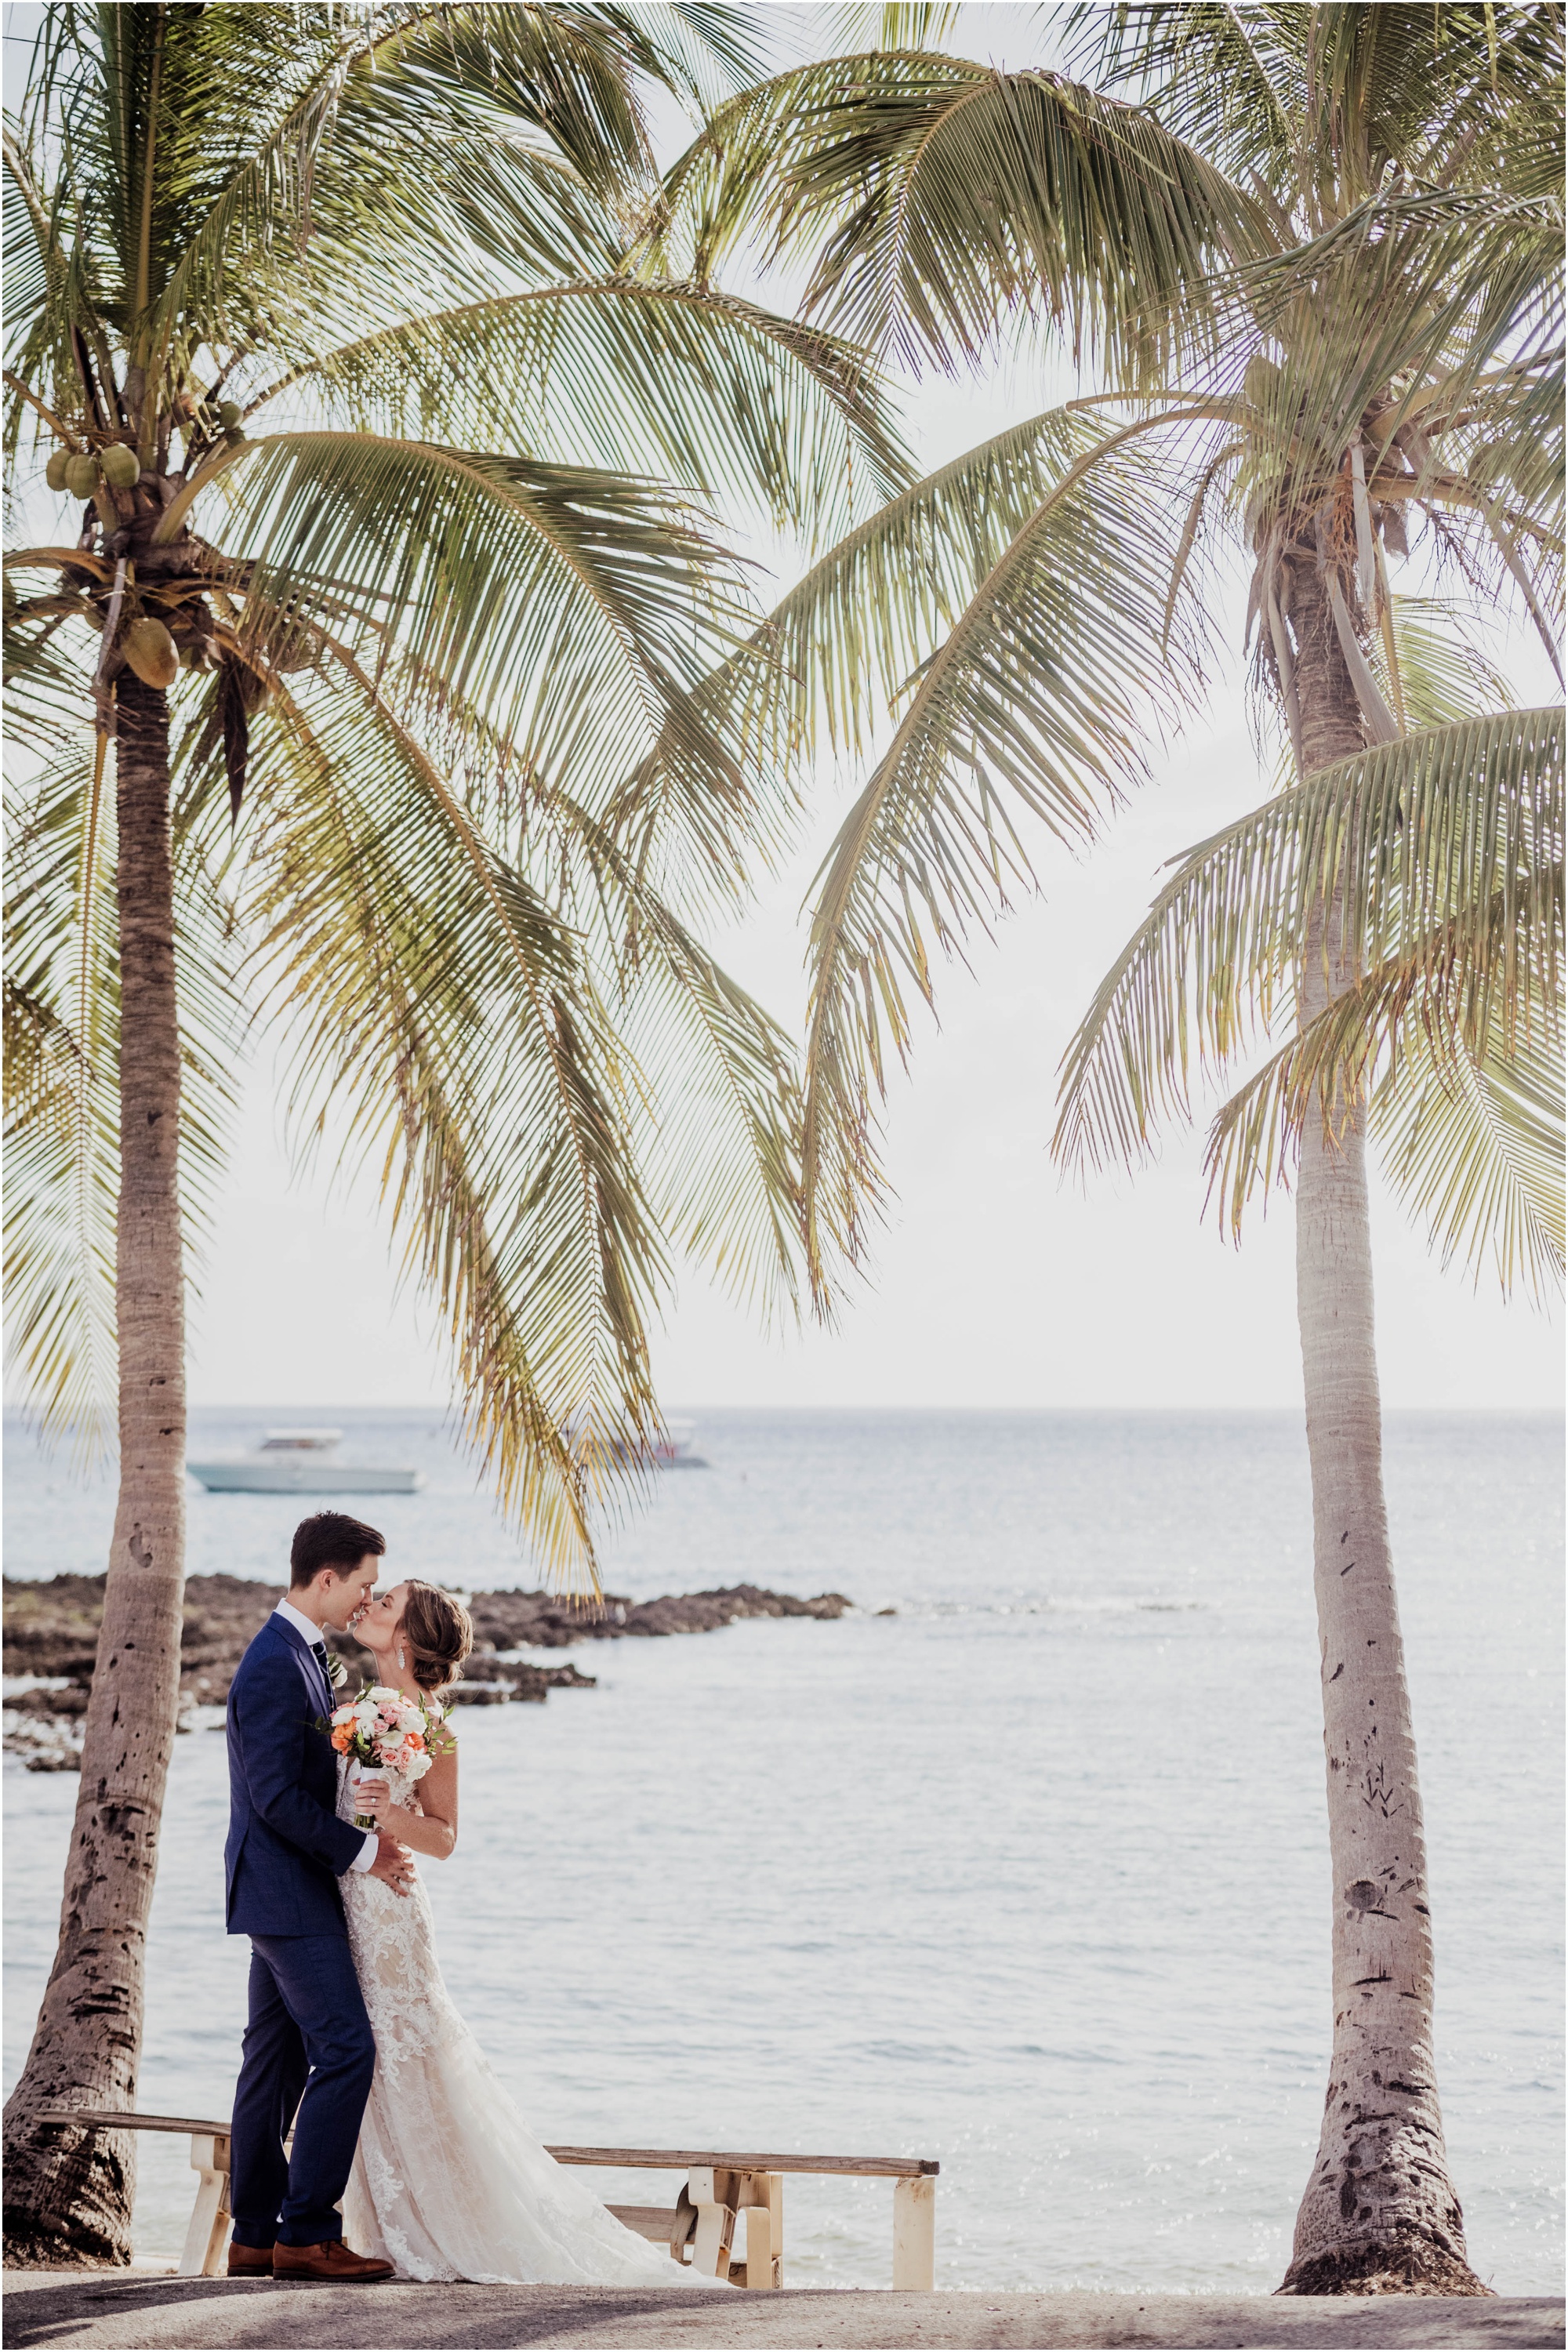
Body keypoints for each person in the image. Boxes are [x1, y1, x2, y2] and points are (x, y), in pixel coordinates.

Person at [338, 1577, 710, 2285]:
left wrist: (388, 1813)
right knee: (365, 2062)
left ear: (408, 1639)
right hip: (346, 1903)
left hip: (391, 1912)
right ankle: (379, 2227)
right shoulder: (357, 1707)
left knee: (406, 2057)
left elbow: (443, 1839)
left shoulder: (436, 1729)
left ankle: (444, 2226)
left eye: (386, 1604)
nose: (370, 1605)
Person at [223, 1512, 411, 2282]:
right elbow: (272, 1797)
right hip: (288, 1889)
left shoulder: (307, 1656)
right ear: (327, 1578)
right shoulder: (275, 1662)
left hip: (278, 1891)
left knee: (272, 2064)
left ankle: (256, 2236)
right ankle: (306, 2234)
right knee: (347, 2049)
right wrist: (364, 1851)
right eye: (363, 1584)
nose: (365, 1599)